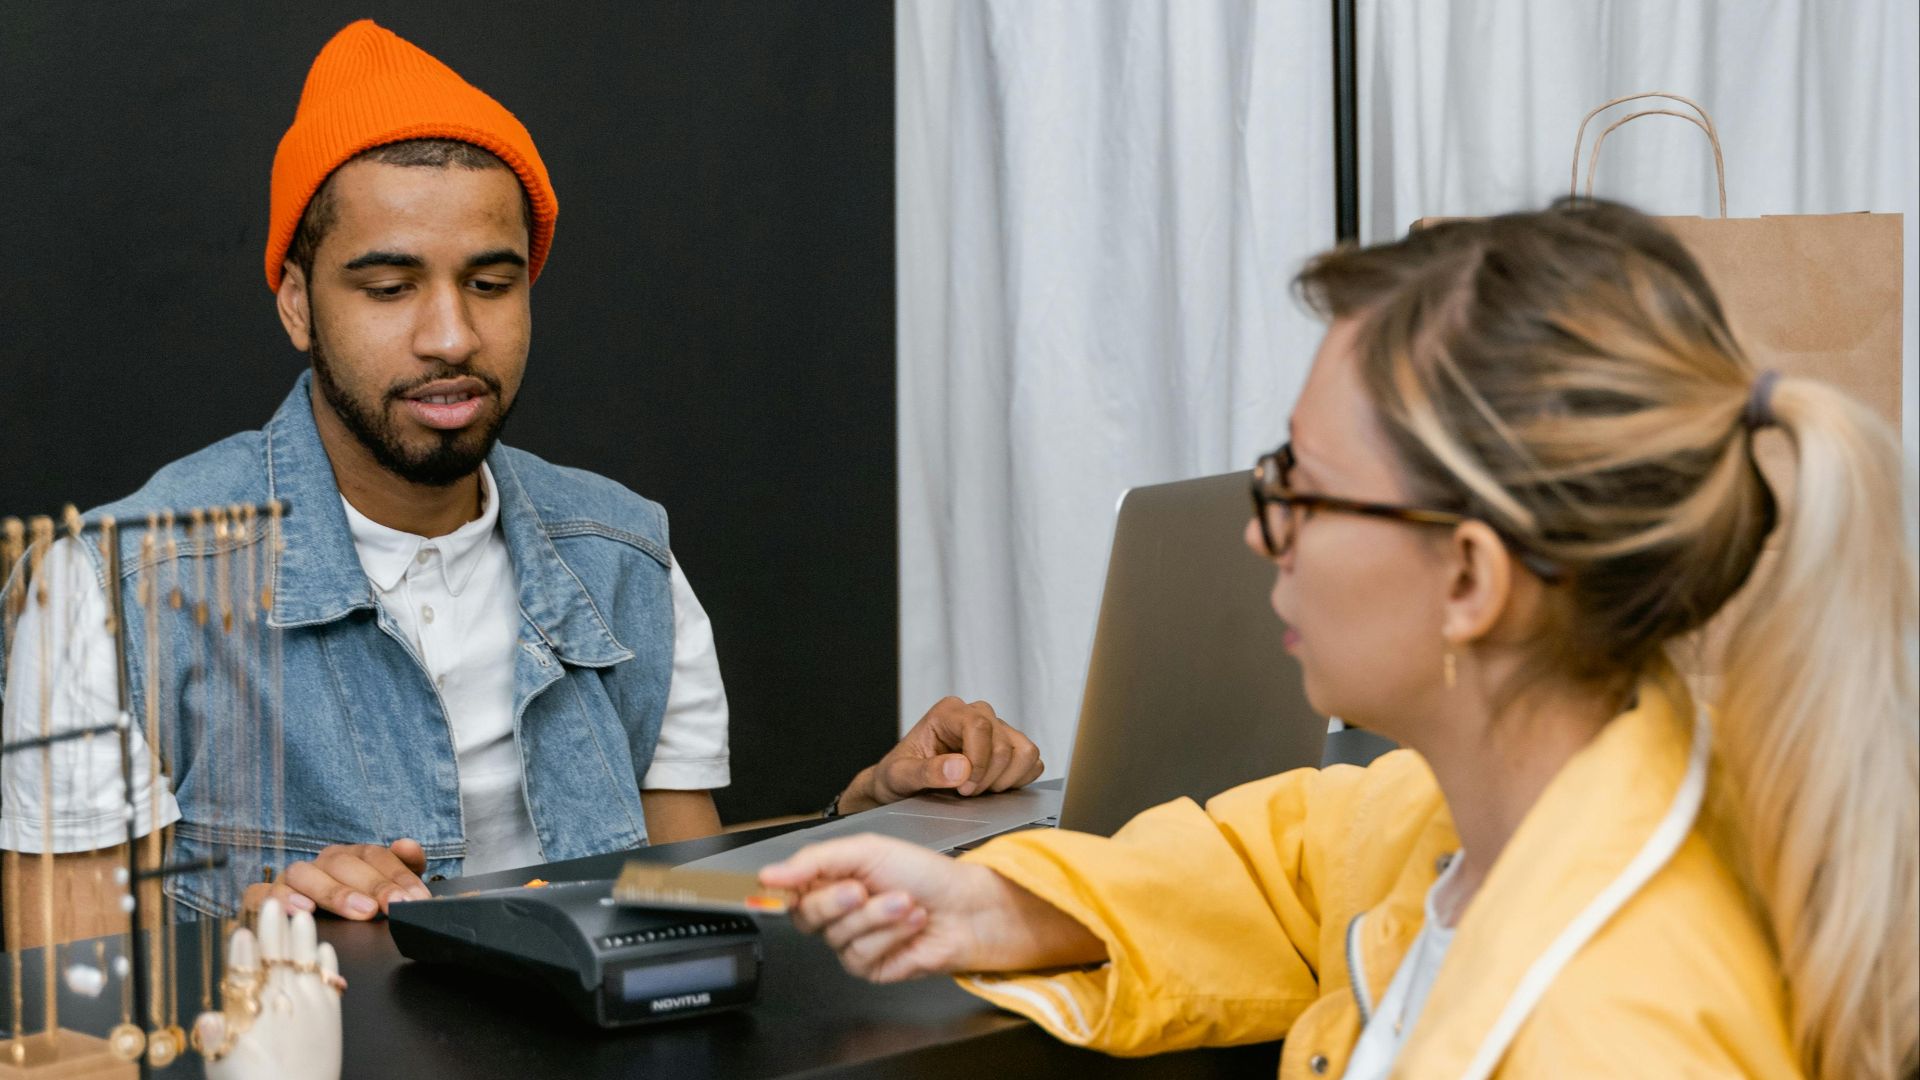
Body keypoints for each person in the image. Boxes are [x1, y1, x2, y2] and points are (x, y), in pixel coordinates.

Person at [762, 202, 1919, 1079]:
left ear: (1470, 575)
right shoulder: (1501, 812)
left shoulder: (1607, 1032)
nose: (1269, 538)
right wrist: (995, 907)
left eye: (1303, 491)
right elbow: (1285, 860)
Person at [0, 19, 1042, 934]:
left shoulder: (627, 557)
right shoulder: (109, 591)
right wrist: (261, 949)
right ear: (297, 303)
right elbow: (73, 1016)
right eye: (389, 284)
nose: (451, 335)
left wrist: (876, 811)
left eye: (491, 282)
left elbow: (682, 909)